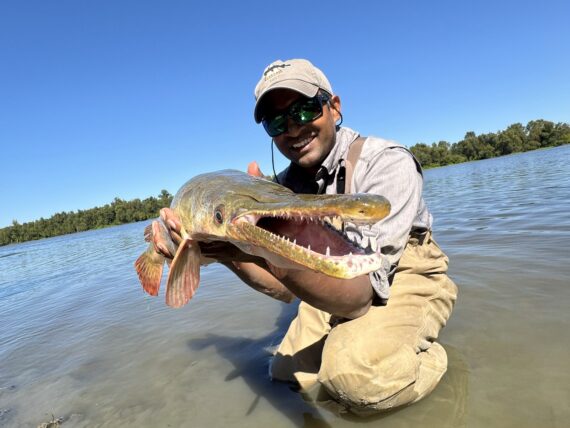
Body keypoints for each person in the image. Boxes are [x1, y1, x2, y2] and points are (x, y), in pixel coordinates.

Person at [155, 59, 458, 416]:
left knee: (356, 382)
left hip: (399, 273)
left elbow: (360, 297)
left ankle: (424, 361)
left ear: (334, 107)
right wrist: (231, 250)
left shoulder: (387, 162)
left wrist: (262, 246)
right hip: (331, 278)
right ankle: (368, 353)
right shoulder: (279, 188)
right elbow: (284, 288)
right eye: (277, 121)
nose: (293, 128)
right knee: (287, 376)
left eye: (304, 109)